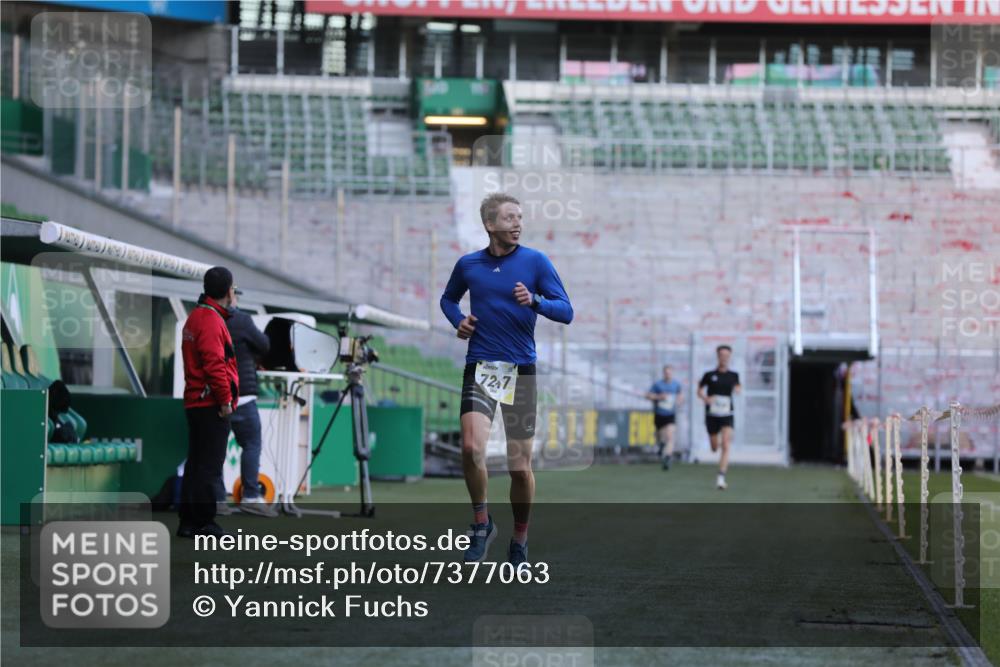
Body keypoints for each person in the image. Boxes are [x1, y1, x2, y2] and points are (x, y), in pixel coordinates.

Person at [440, 192, 574, 565]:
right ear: (490, 225)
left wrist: (535, 301)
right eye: (510, 218)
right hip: (482, 366)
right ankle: (482, 524)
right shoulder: (469, 264)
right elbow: (448, 300)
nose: (517, 223)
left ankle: (519, 539)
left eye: (520, 217)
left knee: (520, 467)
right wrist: (459, 321)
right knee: (470, 448)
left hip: (521, 370)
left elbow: (566, 311)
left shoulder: (536, 262)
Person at [177, 266, 240, 538]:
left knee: (196, 464)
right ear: (228, 291)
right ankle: (204, 522)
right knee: (210, 466)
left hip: (196, 401)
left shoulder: (196, 317)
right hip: (210, 404)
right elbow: (215, 364)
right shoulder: (212, 320)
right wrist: (225, 399)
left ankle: (189, 522)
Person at [216, 296, 276, 518]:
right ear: (230, 295)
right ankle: (250, 497)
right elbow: (264, 344)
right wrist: (251, 354)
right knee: (251, 445)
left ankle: (217, 500)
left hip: (214, 396)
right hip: (241, 396)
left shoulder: (207, 319)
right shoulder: (241, 320)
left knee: (216, 449)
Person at [697, 345, 741, 490]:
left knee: (726, 445)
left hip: (727, 413)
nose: (724, 358)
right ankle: (715, 444)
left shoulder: (733, 375)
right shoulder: (709, 375)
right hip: (712, 414)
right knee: (715, 447)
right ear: (717, 356)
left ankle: (721, 478)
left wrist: (738, 389)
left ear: (730, 357)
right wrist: (706, 399)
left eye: (727, 355)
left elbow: (738, 387)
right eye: (721, 355)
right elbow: (699, 390)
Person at [646, 364, 682, 470]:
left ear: (672, 373)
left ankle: (667, 457)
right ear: (664, 373)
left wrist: (679, 401)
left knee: (670, 436)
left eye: (670, 372)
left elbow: (680, 396)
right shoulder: (658, 385)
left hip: (670, 414)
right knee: (659, 436)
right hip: (659, 414)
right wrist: (658, 397)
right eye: (666, 372)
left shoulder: (676, 385)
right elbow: (648, 395)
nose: (668, 374)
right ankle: (661, 445)